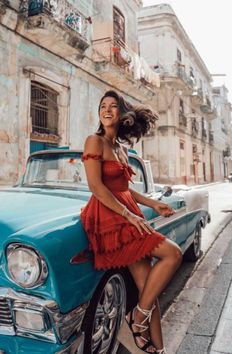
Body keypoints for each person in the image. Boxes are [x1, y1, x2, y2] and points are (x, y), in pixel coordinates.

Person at [80, 90, 182, 353]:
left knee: (148, 290)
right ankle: (137, 319)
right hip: (111, 217)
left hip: (127, 212)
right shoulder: (94, 141)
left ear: (121, 113)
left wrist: (151, 203)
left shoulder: (121, 149)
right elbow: (96, 187)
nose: (107, 109)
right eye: (103, 105)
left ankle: (158, 349)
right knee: (173, 254)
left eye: (113, 106)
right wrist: (130, 215)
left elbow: (125, 189)